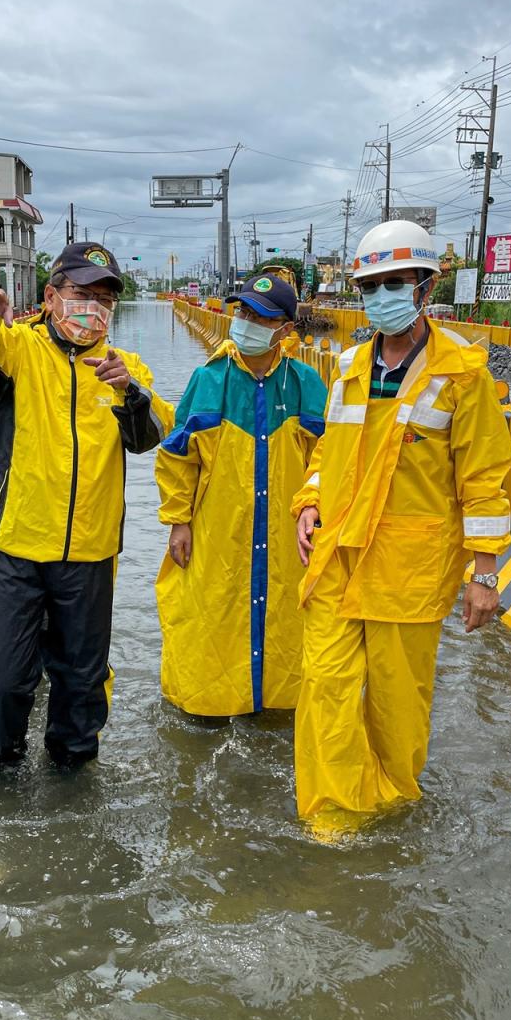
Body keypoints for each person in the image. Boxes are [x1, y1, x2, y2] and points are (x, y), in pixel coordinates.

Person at [291, 220, 511, 826]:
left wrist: (484, 577)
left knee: (398, 703)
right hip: (337, 556)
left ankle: (392, 806)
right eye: (371, 285)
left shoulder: (463, 375)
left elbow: (485, 478)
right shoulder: (350, 366)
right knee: (325, 689)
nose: (380, 296)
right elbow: (326, 456)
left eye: (394, 283)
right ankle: (333, 820)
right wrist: (309, 502)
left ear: (424, 287)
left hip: (407, 569)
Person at [0, 243, 174, 770]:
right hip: (13, 546)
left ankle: (74, 776)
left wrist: (129, 394)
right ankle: (2, 770)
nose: (92, 307)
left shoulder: (126, 366)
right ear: (50, 297)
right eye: (81, 294)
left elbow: (151, 436)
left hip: (89, 552)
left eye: (104, 299)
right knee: (3, 680)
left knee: (82, 679)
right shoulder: (19, 347)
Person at [155, 273, 327, 716]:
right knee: (211, 616)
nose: (247, 322)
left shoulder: (306, 385)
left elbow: (329, 458)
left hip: (289, 540)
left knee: (287, 627)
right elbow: (177, 457)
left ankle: (278, 705)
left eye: (261, 316)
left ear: (285, 330)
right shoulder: (208, 379)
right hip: (218, 535)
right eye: (244, 312)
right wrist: (179, 520)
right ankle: (209, 705)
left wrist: (315, 506)